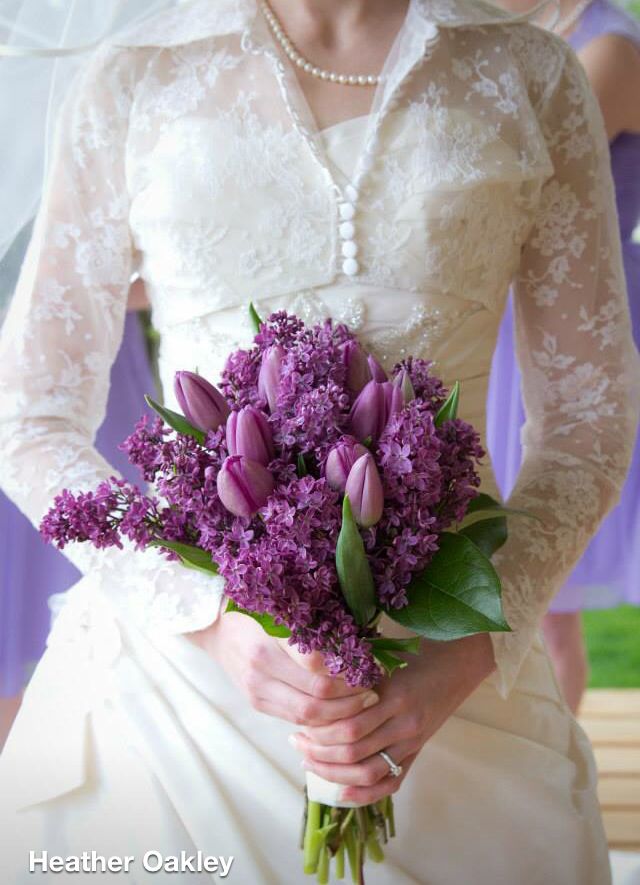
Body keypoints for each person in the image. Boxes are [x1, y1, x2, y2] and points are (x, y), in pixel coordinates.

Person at [0, 0, 637, 881]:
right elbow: (29, 415)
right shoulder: (133, 74)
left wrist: (469, 650)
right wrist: (209, 620)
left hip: (458, 691)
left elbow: (588, 420)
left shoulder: (527, 75)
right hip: (176, 695)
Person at [487, 0, 640, 713]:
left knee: (538, 590)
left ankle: (556, 781)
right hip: (500, 325)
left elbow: (520, 165)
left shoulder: (609, 48)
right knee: (496, 577)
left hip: (570, 334)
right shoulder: (490, 31)